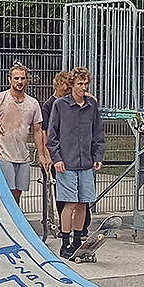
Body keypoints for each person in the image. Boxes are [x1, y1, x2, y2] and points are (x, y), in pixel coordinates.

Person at [46, 67, 105, 259]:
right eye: (80, 84)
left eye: (86, 83)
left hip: (86, 162)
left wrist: (98, 156)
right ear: (72, 85)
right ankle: (65, 243)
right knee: (69, 203)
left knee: (83, 203)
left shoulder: (91, 106)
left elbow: (98, 133)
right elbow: (52, 135)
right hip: (67, 163)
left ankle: (78, 241)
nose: (83, 87)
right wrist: (57, 159)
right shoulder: (60, 105)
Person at [0, 63, 49, 202]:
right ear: (10, 79)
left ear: (26, 80)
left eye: (22, 78)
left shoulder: (33, 103)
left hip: (22, 155)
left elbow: (37, 130)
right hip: (3, 154)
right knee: (6, 192)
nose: (19, 82)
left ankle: (14, 221)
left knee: (17, 194)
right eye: (16, 78)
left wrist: (42, 155)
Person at [41, 71, 92, 234]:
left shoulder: (79, 103)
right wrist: (48, 154)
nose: (66, 94)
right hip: (60, 155)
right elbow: (46, 132)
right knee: (65, 196)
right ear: (57, 87)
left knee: (82, 197)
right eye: (64, 91)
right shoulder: (51, 105)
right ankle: (65, 230)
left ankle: (81, 228)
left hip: (80, 157)